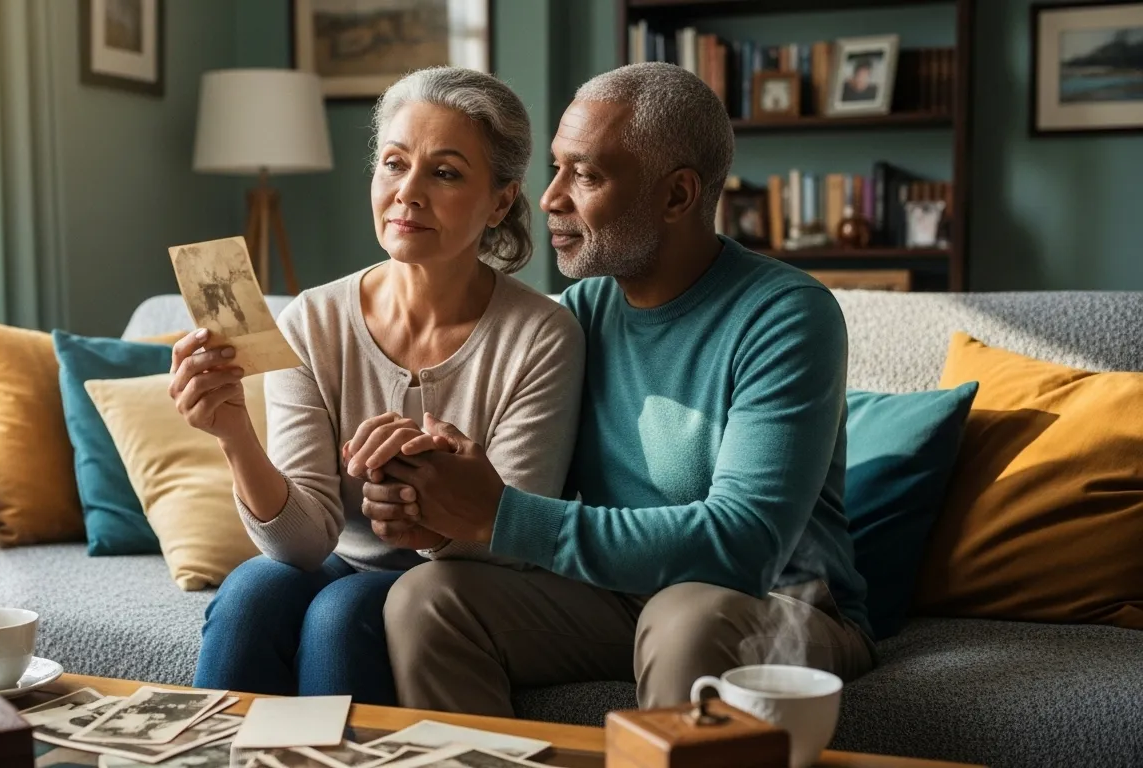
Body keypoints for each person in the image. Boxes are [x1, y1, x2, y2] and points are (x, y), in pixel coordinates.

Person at [360, 62, 876, 716]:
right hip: (615, 593)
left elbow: (745, 543)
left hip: (779, 602)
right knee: (427, 598)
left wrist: (501, 516)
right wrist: (430, 494)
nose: (548, 199)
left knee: (686, 617)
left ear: (677, 195)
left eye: (586, 174)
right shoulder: (579, 314)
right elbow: (518, 494)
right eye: (555, 167)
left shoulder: (786, 315)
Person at [169, 66, 584, 706]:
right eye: (393, 164)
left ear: (501, 200)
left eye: (444, 172)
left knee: (341, 612)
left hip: (458, 581)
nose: (407, 193)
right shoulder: (312, 318)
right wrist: (234, 437)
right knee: (253, 591)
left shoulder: (542, 334)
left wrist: (432, 513)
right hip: (338, 559)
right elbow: (303, 545)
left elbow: (514, 543)